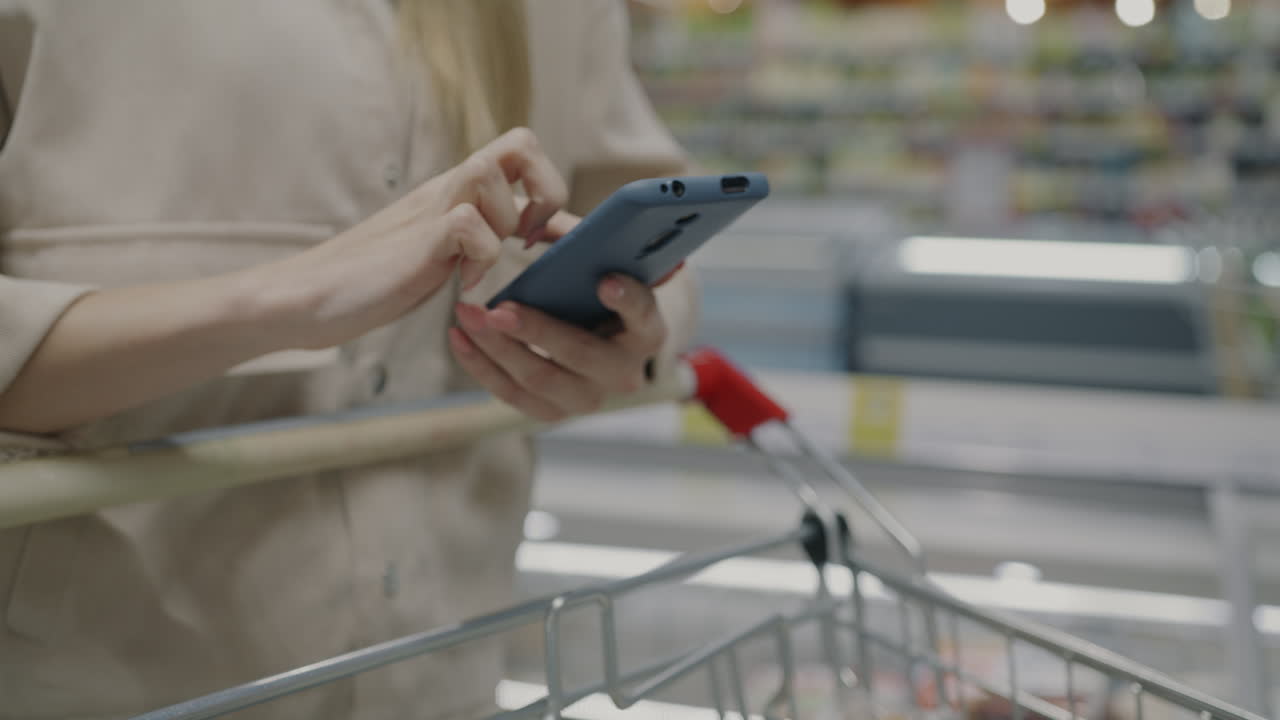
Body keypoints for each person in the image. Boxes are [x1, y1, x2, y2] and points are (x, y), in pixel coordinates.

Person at [0, 1, 697, 718]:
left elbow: (645, 229)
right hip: (111, 677)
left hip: (449, 666)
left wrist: (630, 336)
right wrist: (281, 299)